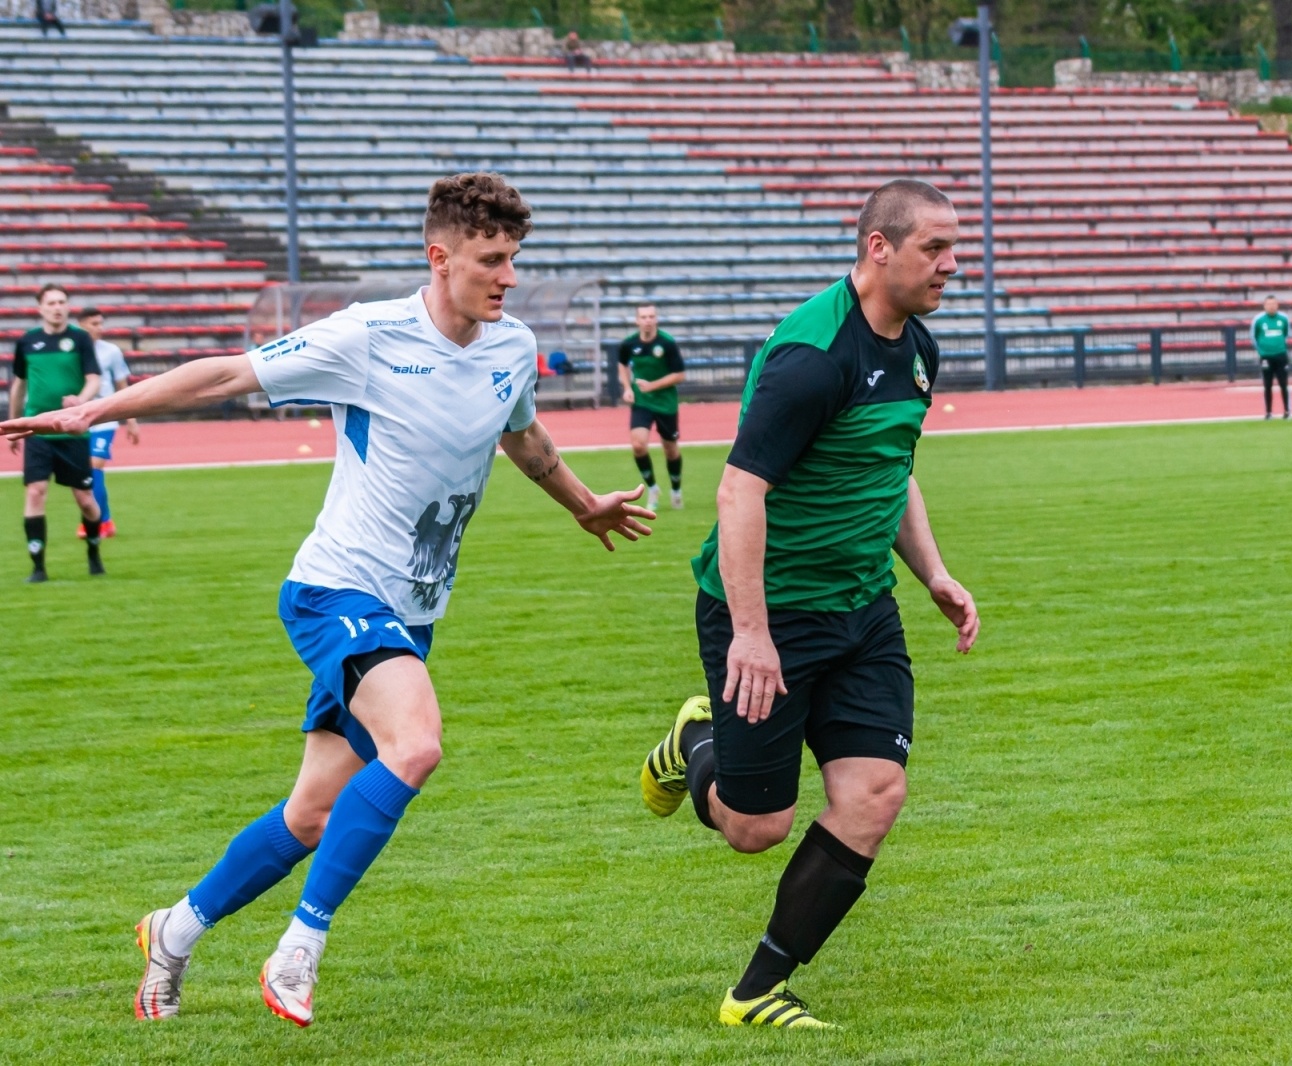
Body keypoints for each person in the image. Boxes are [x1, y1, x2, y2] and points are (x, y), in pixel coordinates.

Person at [1, 172, 655, 1027]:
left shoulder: (507, 344)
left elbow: (521, 433)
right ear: (440, 256)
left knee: (310, 814)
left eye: (513, 260)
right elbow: (224, 375)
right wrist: (94, 410)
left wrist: (583, 505)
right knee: (416, 744)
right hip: (335, 589)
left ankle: (175, 929)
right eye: (492, 260)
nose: (507, 277)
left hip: (410, 614)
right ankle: (298, 949)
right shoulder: (370, 336)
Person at [637, 179, 980, 1029]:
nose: (952, 264)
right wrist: (751, 635)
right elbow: (739, 494)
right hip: (770, 616)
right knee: (757, 827)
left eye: (954, 247)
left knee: (875, 793)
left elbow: (889, 469)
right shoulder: (813, 357)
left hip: (863, 611)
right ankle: (696, 740)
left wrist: (932, 571)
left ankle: (755, 992)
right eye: (934, 249)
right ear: (878, 249)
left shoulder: (919, 348)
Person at [9, 283, 102, 582]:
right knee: (35, 491)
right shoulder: (27, 342)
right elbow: (19, 385)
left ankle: (93, 551)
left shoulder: (79, 339)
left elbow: (93, 378)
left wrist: (82, 402)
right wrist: (14, 423)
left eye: (62, 302)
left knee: (85, 499)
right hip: (38, 429)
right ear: (40, 308)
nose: (57, 307)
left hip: (72, 430)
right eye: (51, 303)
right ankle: (38, 567)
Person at [76, 307, 140, 540]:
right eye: (94, 323)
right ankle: (106, 519)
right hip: (79, 418)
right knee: (85, 472)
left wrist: (131, 420)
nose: (99, 328)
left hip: (105, 417)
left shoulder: (111, 351)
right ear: (81, 325)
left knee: (95, 465)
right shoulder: (72, 350)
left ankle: (95, 522)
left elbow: (122, 386)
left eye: (101, 323)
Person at [616, 303, 686, 510]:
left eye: (651, 316)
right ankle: (653, 488)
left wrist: (652, 385)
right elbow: (622, 365)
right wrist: (627, 387)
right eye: (644, 317)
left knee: (670, 450)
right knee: (638, 445)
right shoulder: (629, 344)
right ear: (637, 320)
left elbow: (680, 375)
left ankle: (676, 490)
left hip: (666, 403)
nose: (648, 320)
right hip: (642, 402)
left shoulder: (667, 343)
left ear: (656, 319)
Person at [1252, 295, 1291, 420]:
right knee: (1267, 385)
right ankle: (1268, 412)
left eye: (1273, 304)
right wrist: (1261, 350)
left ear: (1277, 305)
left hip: (1281, 355)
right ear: (1264, 306)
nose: (1271, 306)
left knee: (1283, 384)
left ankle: (1286, 411)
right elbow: (1255, 337)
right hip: (1266, 357)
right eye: (1269, 304)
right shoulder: (1259, 321)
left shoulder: (1283, 319)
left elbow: (1285, 334)